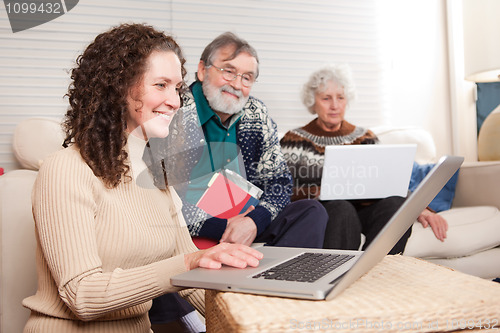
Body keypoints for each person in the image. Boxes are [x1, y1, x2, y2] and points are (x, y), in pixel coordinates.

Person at [22, 23, 263, 333]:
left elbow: (191, 278)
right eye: (160, 85)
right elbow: (81, 295)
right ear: (119, 88)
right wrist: (190, 264)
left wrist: (253, 318)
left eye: (176, 88)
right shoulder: (65, 169)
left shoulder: (155, 173)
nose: (176, 101)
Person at [146, 32, 328, 327]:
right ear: (203, 69)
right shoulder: (175, 109)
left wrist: (253, 222)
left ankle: (272, 299)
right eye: (228, 71)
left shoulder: (256, 113)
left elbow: (279, 181)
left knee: (312, 211)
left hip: (246, 224)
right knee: (153, 239)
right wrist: (222, 226)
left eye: (247, 77)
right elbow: (162, 197)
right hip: (190, 231)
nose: (237, 84)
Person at [280, 63, 448, 253]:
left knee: (396, 204)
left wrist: (420, 208)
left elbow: (389, 182)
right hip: (330, 214)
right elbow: (283, 190)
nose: (334, 105)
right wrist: (324, 191)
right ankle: (337, 275)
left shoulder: (365, 137)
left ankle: (376, 271)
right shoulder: (294, 140)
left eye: (340, 98)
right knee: (342, 207)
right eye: (326, 98)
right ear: (313, 102)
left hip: (366, 211)